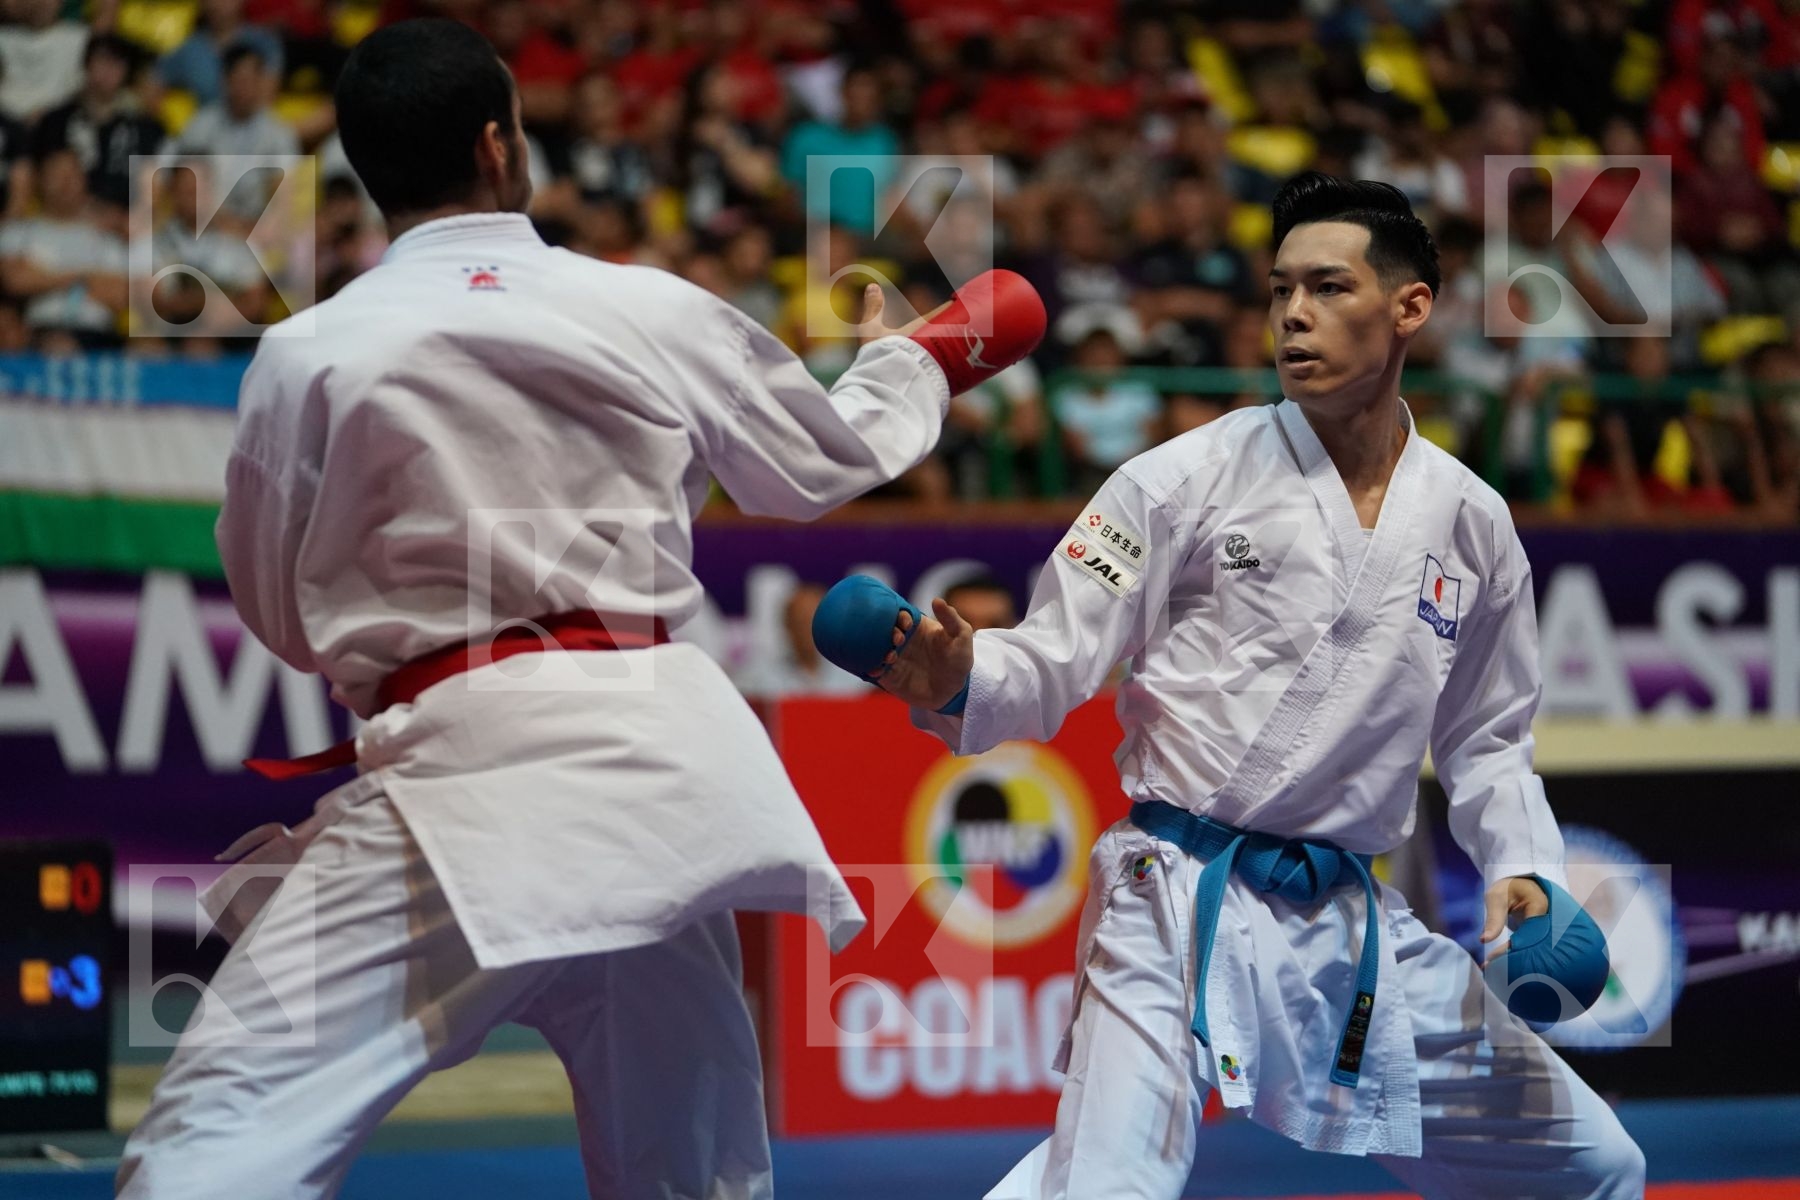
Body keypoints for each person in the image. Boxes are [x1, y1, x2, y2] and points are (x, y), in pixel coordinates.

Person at [114, 19, 1043, 1199]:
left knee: (212, 1144)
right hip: (662, 782)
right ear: (500, 145)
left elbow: (280, 617)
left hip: (468, 779)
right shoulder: (645, 306)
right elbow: (816, 466)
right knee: (691, 1175)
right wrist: (928, 357)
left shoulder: (308, 355)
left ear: (366, 169)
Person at [865, 174, 1645, 1199]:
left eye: (1328, 287)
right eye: (1281, 290)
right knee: (1108, 1189)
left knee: (1590, 1167)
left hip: (1351, 925)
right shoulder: (1180, 478)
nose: (1294, 314)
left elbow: (1488, 741)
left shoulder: (1473, 521)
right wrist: (965, 673)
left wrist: (1524, 865)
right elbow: (1052, 657)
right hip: (1175, 898)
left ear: (1410, 308)